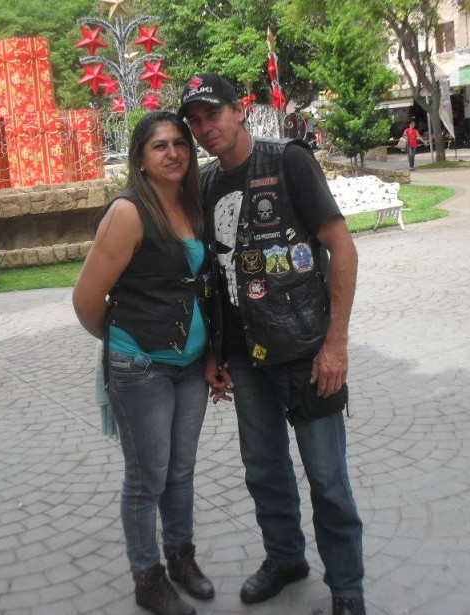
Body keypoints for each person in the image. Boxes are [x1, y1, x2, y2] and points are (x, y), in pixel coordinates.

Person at [178, 73, 365, 615]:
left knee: (326, 477)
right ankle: (285, 558)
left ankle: (347, 589)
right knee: (263, 469)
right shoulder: (206, 185)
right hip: (245, 359)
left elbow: (342, 248)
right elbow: (214, 277)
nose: (204, 128)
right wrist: (214, 352)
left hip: (307, 351)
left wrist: (335, 344)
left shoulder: (288, 162)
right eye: (195, 121)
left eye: (213, 114)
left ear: (241, 110)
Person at [72, 111, 214, 615]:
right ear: (140, 158)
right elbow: (86, 300)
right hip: (142, 368)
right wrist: (127, 345)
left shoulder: (194, 205)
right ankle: (147, 577)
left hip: (192, 367)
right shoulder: (128, 212)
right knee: (147, 477)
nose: (173, 153)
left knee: (181, 471)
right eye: (159, 145)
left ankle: (180, 557)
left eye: (180, 143)